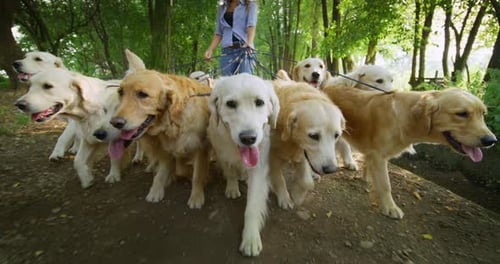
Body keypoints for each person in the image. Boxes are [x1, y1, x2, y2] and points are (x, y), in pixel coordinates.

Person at [204, 0, 258, 76]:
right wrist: (210, 49)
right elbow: (218, 32)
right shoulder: (222, 7)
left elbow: (251, 25)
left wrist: (249, 42)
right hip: (227, 51)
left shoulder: (251, 4)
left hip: (245, 49)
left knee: (245, 80)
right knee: (227, 83)